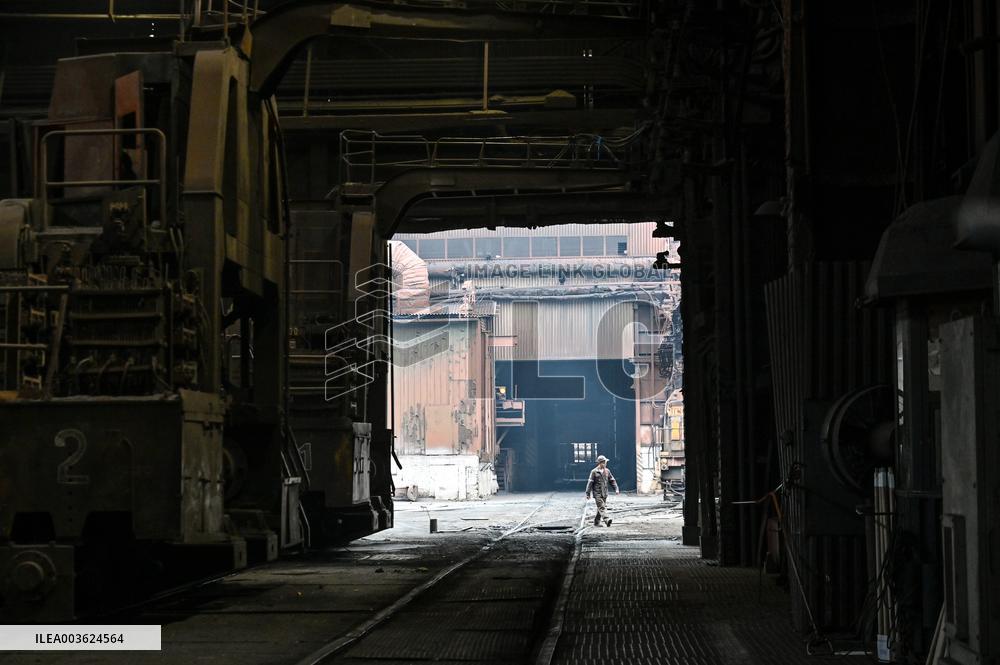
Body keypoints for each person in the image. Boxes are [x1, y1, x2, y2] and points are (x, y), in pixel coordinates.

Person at [585, 454, 619, 526]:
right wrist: (588, 493)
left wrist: (616, 489)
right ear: (600, 463)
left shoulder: (607, 471)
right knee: (601, 507)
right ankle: (607, 520)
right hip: (597, 493)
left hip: (605, 493)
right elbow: (590, 482)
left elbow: (612, 480)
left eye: (605, 462)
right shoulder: (594, 472)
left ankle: (596, 522)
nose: (605, 463)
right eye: (604, 462)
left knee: (600, 508)